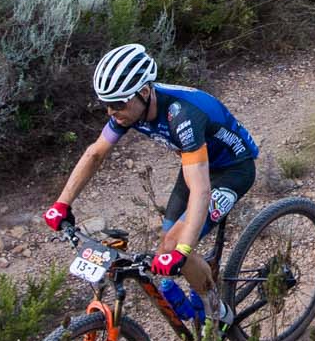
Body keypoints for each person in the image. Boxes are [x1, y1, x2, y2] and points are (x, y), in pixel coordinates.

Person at [43, 43, 258, 319]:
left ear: (144, 92)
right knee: (166, 240)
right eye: (106, 104)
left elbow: (202, 190)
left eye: (117, 103)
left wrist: (181, 250)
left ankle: (219, 314)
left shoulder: (182, 115)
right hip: (196, 165)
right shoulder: (131, 108)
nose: (111, 112)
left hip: (232, 171)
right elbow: (95, 153)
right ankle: (200, 278)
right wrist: (62, 203)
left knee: (175, 246)